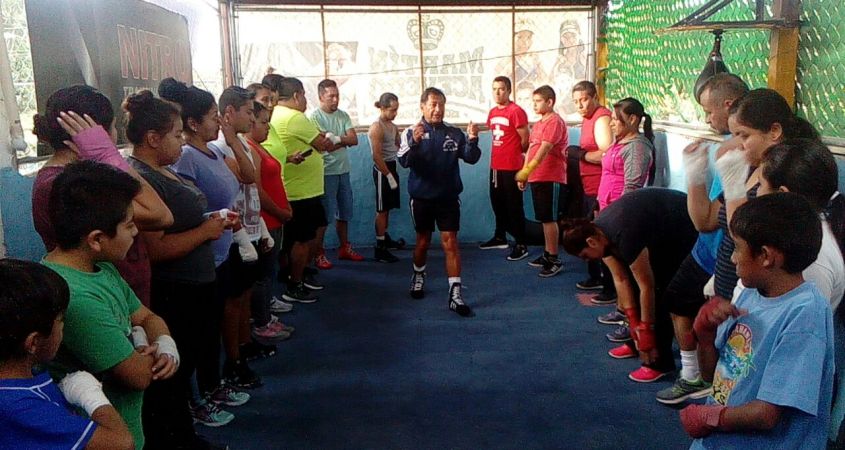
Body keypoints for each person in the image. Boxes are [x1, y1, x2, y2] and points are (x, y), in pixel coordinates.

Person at [125, 91, 238, 440]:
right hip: (176, 288)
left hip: (197, 282)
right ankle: (179, 433)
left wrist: (212, 219)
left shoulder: (164, 171)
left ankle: (186, 423)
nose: (182, 142)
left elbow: (183, 221)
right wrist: (206, 231)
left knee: (193, 354)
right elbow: (156, 249)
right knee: (176, 365)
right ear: (152, 138)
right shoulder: (142, 179)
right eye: (176, 135)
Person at [42, 161, 179, 449]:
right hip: (104, 436)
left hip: (128, 422)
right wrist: (143, 343)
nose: (136, 232)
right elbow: (139, 376)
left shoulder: (101, 268)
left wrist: (163, 341)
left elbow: (147, 317)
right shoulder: (76, 297)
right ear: (96, 239)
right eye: (129, 225)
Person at [680, 193, 833, 449]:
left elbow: (766, 415)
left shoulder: (805, 314)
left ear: (765, 256)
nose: (732, 258)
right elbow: (715, 377)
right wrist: (705, 336)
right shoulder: (751, 293)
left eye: (737, 248)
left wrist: (708, 417)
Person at [652, 74, 748, 406]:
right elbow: (703, 220)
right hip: (711, 253)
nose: (706, 119)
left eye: (708, 111)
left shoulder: (743, 157)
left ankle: (713, 390)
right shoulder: (729, 149)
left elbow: (722, 223)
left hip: (729, 259)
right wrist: (695, 172)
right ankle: (697, 379)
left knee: (726, 335)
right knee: (681, 304)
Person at [31, 85, 173, 308]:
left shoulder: (79, 177)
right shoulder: (73, 185)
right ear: (96, 134)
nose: (115, 136)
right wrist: (108, 155)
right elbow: (161, 215)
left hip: (122, 295)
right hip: (104, 301)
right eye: (113, 127)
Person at [562, 188, 698, 382]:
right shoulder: (600, 234)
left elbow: (647, 287)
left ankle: (660, 362)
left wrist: (647, 329)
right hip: (654, 224)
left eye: (584, 256)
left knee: (661, 292)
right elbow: (621, 279)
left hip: (682, 225)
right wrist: (633, 322)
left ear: (591, 242)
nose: (587, 260)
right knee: (635, 287)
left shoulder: (624, 234)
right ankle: (636, 345)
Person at [0, 259, 133, 450]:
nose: (63, 328)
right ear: (34, 342)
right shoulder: (20, 406)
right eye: (61, 320)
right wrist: (90, 394)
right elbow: (121, 444)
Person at [712, 88, 821, 302]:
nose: (737, 144)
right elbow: (706, 220)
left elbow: (746, 233)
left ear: (774, 131)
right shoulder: (756, 166)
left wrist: (733, 183)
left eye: (744, 135)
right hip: (738, 291)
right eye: (734, 135)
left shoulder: (783, 173)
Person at [398, 87, 481, 317]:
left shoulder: (454, 133)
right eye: (433, 104)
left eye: (441, 104)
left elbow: (471, 158)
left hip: (447, 198)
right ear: (422, 106)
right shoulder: (410, 132)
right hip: (422, 198)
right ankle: (418, 274)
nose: (437, 109)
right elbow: (404, 161)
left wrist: (473, 140)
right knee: (423, 241)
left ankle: (455, 294)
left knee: (450, 242)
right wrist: (414, 142)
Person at [263, 77, 333, 303]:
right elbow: (323, 143)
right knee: (302, 239)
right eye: (304, 96)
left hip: (296, 188)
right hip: (301, 191)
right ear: (296, 95)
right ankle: (295, 283)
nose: (305, 101)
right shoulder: (294, 117)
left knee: (296, 238)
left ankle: (295, 273)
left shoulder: (277, 115)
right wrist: (328, 138)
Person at [244, 101, 295, 353]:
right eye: (264, 122)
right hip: (267, 219)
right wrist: (279, 211)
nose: (268, 127)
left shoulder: (258, 147)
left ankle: (264, 316)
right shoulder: (249, 149)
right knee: (262, 275)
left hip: (275, 218)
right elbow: (257, 191)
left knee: (267, 273)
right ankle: (262, 323)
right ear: (250, 122)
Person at [310, 78, 364, 268]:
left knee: (345, 213)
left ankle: (344, 247)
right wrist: (342, 140)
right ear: (320, 97)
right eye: (331, 96)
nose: (335, 99)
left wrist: (336, 139)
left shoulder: (343, 115)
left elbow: (354, 140)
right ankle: (319, 253)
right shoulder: (314, 117)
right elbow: (324, 145)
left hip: (344, 171)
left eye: (337, 95)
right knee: (325, 217)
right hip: (327, 172)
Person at [517, 85, 568, 277]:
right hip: (537, 177)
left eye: (538, 101)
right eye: (534, 101)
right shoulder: (538, 124)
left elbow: (544, 149)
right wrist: (525, 172)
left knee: (549, 219)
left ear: (550, 102)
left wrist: (527, 170)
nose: (534, 105)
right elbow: (531, 149)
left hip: (551, 177)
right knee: (543, 218)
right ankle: (547, 253)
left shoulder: (555, 122)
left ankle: (554, 258)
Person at [570, 81, 613, 297]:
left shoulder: (601, 117)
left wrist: (582, 155)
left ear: (595, 97)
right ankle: (596, 276)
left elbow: (607, 154)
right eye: (576, 101)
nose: (580, 105)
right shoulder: (587, 119)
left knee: (600, 233)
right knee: (590, 230)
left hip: (601, 186)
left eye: (584, 99)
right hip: (588, 184)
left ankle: (609, 286)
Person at [480, 76, 530, 262]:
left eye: (501, 89)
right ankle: (500, 236)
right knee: (497, 202)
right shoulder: (493, 112)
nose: (497, 92)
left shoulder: (516, 111)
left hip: (512, 167)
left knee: (514, 206)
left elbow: (525, 139)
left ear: (509, 90)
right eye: (494, 89)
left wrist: (518, 158)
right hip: (496, 167)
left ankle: (521, 243)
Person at [596, 97, 654, 210]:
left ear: (632, 119)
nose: (611, 124)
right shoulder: (618, 142)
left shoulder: (637, 147)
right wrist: (598, 200)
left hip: (619, 210)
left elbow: (632, 188)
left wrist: (619, 212)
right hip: (606, 208)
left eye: (615, 119)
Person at [369, 92, 406, 263]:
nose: (395, 113)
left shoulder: (393, 126)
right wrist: (388, 175)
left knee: (388, 207)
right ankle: (380, 248)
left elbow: (398, 146)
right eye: (392, 110)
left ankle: (385, 238)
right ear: (382, 108)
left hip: (391, 166)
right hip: (381, 169)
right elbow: (376, 156)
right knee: (382, 209)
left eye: (396, 110)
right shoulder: (376, 127)